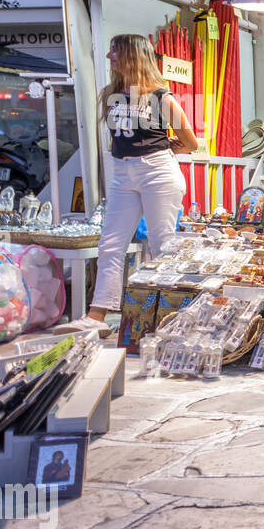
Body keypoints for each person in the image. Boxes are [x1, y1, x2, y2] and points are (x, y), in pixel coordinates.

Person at [55, 35, 196, 336]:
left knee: (162, 244)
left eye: (115, 51)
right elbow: (116, 138)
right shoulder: (111, 94)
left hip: (157, 170)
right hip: (123, 172)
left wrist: (168, 145)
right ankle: (97, 317)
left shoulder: (161, 97)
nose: (109, 56)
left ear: (133, 56)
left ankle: (168, 315)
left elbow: (191, 142)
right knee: (110, 243)